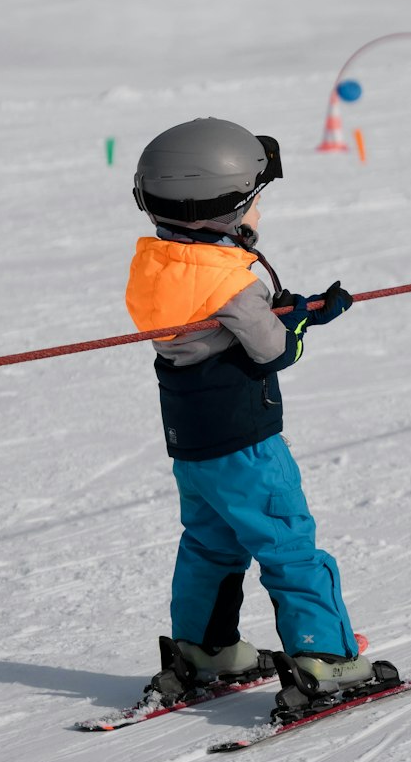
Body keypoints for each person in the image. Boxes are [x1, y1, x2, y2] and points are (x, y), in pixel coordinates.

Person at [125, 116, 373, 711]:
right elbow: (274, 350)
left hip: (191, 442)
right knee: (287, 542)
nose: (259, 215)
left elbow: (205, 329)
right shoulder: (234, 284)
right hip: (246, 442)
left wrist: (282, 310)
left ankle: (205, 649)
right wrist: (302, 319)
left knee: (210, 543)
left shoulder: (154, 264)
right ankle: (325, 659)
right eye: (255, 203)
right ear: (228, 210)